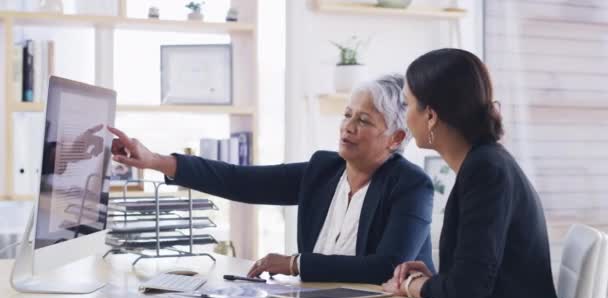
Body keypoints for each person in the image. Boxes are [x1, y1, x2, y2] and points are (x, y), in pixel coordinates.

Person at [109, 74, 435, 284]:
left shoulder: (411, 185)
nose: (347, 127)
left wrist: (295, 263)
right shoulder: (324, 169)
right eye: (347, 114)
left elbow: (386, 266)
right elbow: (239, 181)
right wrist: (154, 160)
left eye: (363, 120)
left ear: (396, 138)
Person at [382, 49, 566, 298]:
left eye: (407, 104)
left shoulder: (485, 170)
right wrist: (434, 280)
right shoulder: (482, 162)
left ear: (430, 116)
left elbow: (466, 292)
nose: (405, 116)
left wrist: (414, 285)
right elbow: (475, 275)